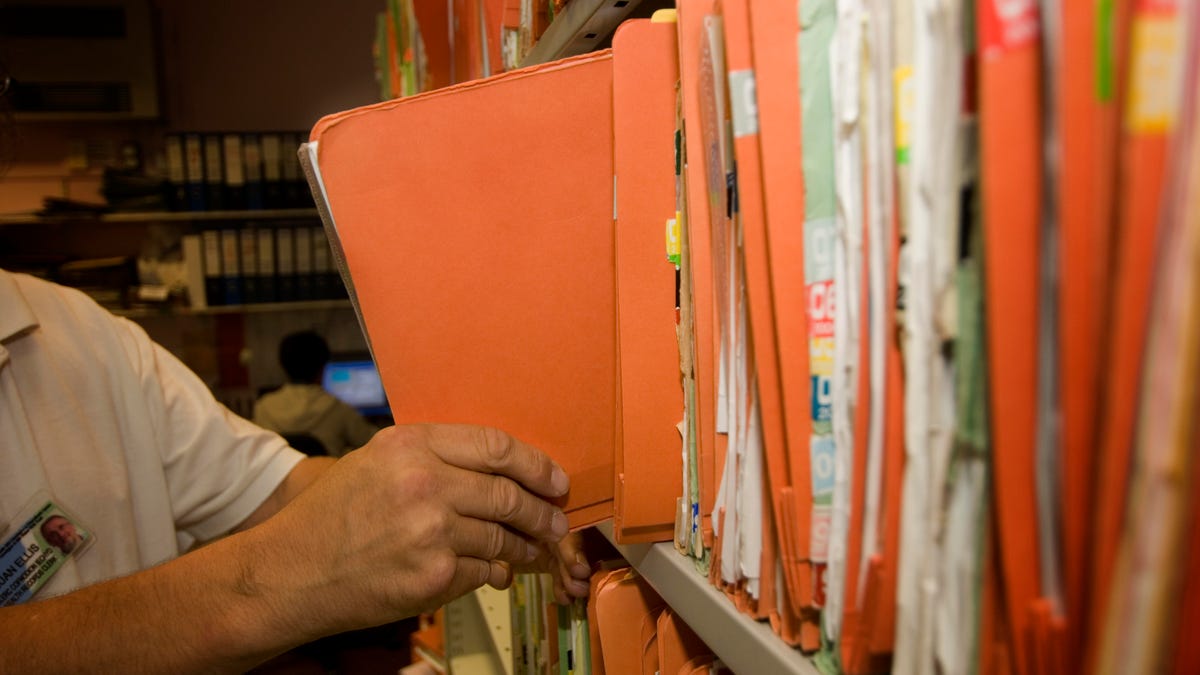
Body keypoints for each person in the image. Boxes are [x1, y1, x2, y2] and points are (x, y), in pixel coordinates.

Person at [0, 269, 591, 672]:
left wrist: (482, 511)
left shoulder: (86, 335)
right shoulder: (334, 409)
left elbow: (278, 485)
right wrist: (272, 579)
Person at [253, 331, 379, 458]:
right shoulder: (339, 409)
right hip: (329, 476)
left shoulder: (263, 408)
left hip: (283, 477)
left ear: (282, 364)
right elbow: (375, 443)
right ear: (323, 366)